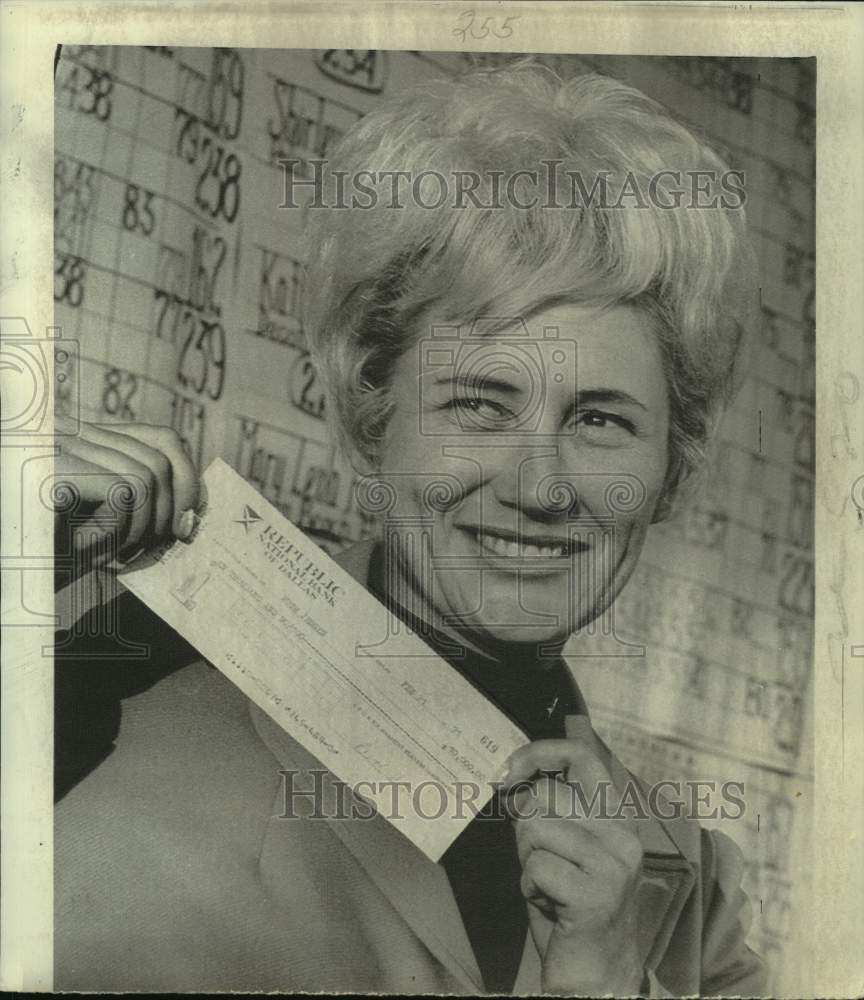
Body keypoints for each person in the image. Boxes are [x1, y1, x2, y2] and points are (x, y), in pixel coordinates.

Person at [54, 64, 766, 996]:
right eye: (480, 403)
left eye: (601, 420)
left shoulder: (692, 894)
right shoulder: (97, 680)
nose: (542, 487)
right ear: (370, 419)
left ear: (672, 466)